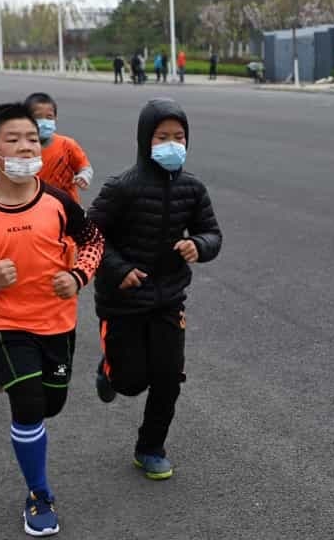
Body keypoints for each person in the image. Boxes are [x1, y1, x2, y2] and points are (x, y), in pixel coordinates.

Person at [0, 102, 103, 537]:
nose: (26, 146)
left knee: (52, 403)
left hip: (58, 323)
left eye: (31, 138)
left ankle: (2, 372)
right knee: (29, 406)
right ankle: (38, 494)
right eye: (12, 140)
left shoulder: (57, 201)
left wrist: (78, 275)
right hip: (8, 324)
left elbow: (93, 242)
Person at [90, 98, 222, 481]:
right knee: (130, 382)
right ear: (145, 140)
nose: (171, 144)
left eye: (178, 137)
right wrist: (119, 269)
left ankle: (150, 447)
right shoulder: (121, 188)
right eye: (162, 136)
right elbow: (89, 236)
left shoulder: (193, 189)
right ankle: (109, 370)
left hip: (169, 298)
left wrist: (199, 245)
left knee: (168, 377)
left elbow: (212, 232)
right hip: (122, 302)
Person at [25, 92, 93, 204]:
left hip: (67, 206)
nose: (44, 122)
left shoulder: (67, 145)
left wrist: (84, 177)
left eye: (49, 117)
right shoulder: (20, 149)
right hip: (34, 207)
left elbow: (85, 167)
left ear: (55, 118)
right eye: (38, 117)